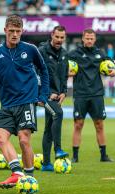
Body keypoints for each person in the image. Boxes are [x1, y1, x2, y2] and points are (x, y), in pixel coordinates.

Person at [0, 15, 49, 188]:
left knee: (23, 140)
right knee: (0, 138)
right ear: (5, 30)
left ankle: (29, 177)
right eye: (11, 31)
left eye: (18, 31)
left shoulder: (31, 49)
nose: (14, 34)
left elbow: (44, 71)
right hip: (7, 104)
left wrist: (43, 95)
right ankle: (17, 173)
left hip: (26, 100)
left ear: (22, 31)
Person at [68, 28, 115, 163]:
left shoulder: (100, 53)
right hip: (80, 95)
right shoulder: (74, 54)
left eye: (91, 38)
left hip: (97, 94)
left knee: (99, 124)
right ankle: (75, 157)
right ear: (83, 38)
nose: (89, 40)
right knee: (78, 124)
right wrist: (66, 72)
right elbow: (62, 66)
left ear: (94, 39)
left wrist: (114, 71)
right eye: (87, 38)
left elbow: (113, 66)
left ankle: (104, 156)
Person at [38, 25, 69, 172]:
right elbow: (36, 74)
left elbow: (64, 76)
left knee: (48, 129)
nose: (59, 40)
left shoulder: (64, 53)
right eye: (57, 37)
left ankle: (46, 164)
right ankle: (58, 149)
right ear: (52, 35)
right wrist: (47, 92)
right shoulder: (41, 52)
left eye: (62, 37)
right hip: (45, 95)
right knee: (58, 113)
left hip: (58, 96)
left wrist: (64, 92)